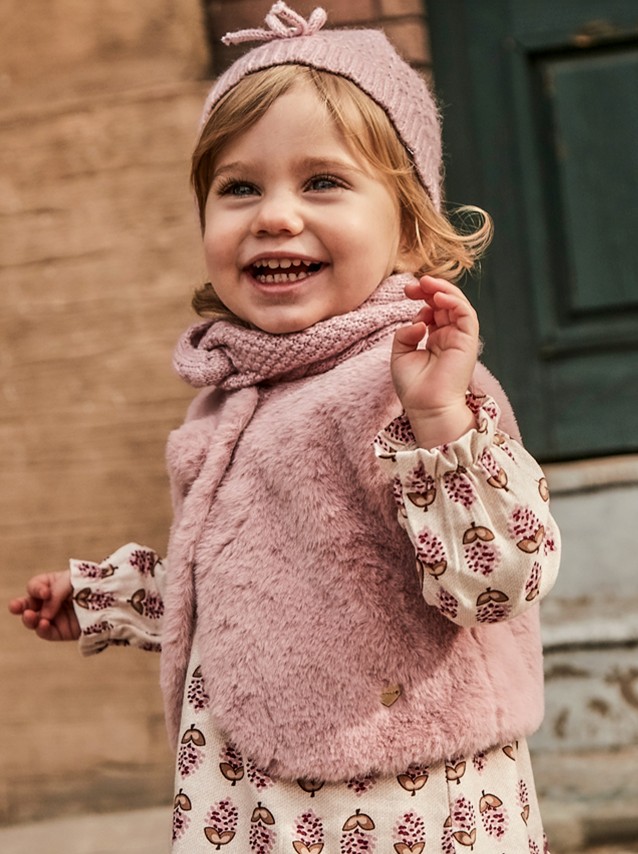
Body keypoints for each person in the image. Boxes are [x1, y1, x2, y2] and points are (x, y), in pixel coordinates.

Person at [9, 3, 560, 851]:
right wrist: (106, 599)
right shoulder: (232, 399)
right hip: (255, 806)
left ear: (411, 222)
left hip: (395, 813)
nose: (273, 215)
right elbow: (256, 590)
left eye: (323, 181)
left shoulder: (415, 378)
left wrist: (443, 421)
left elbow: (494, 583)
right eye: (239, 188)